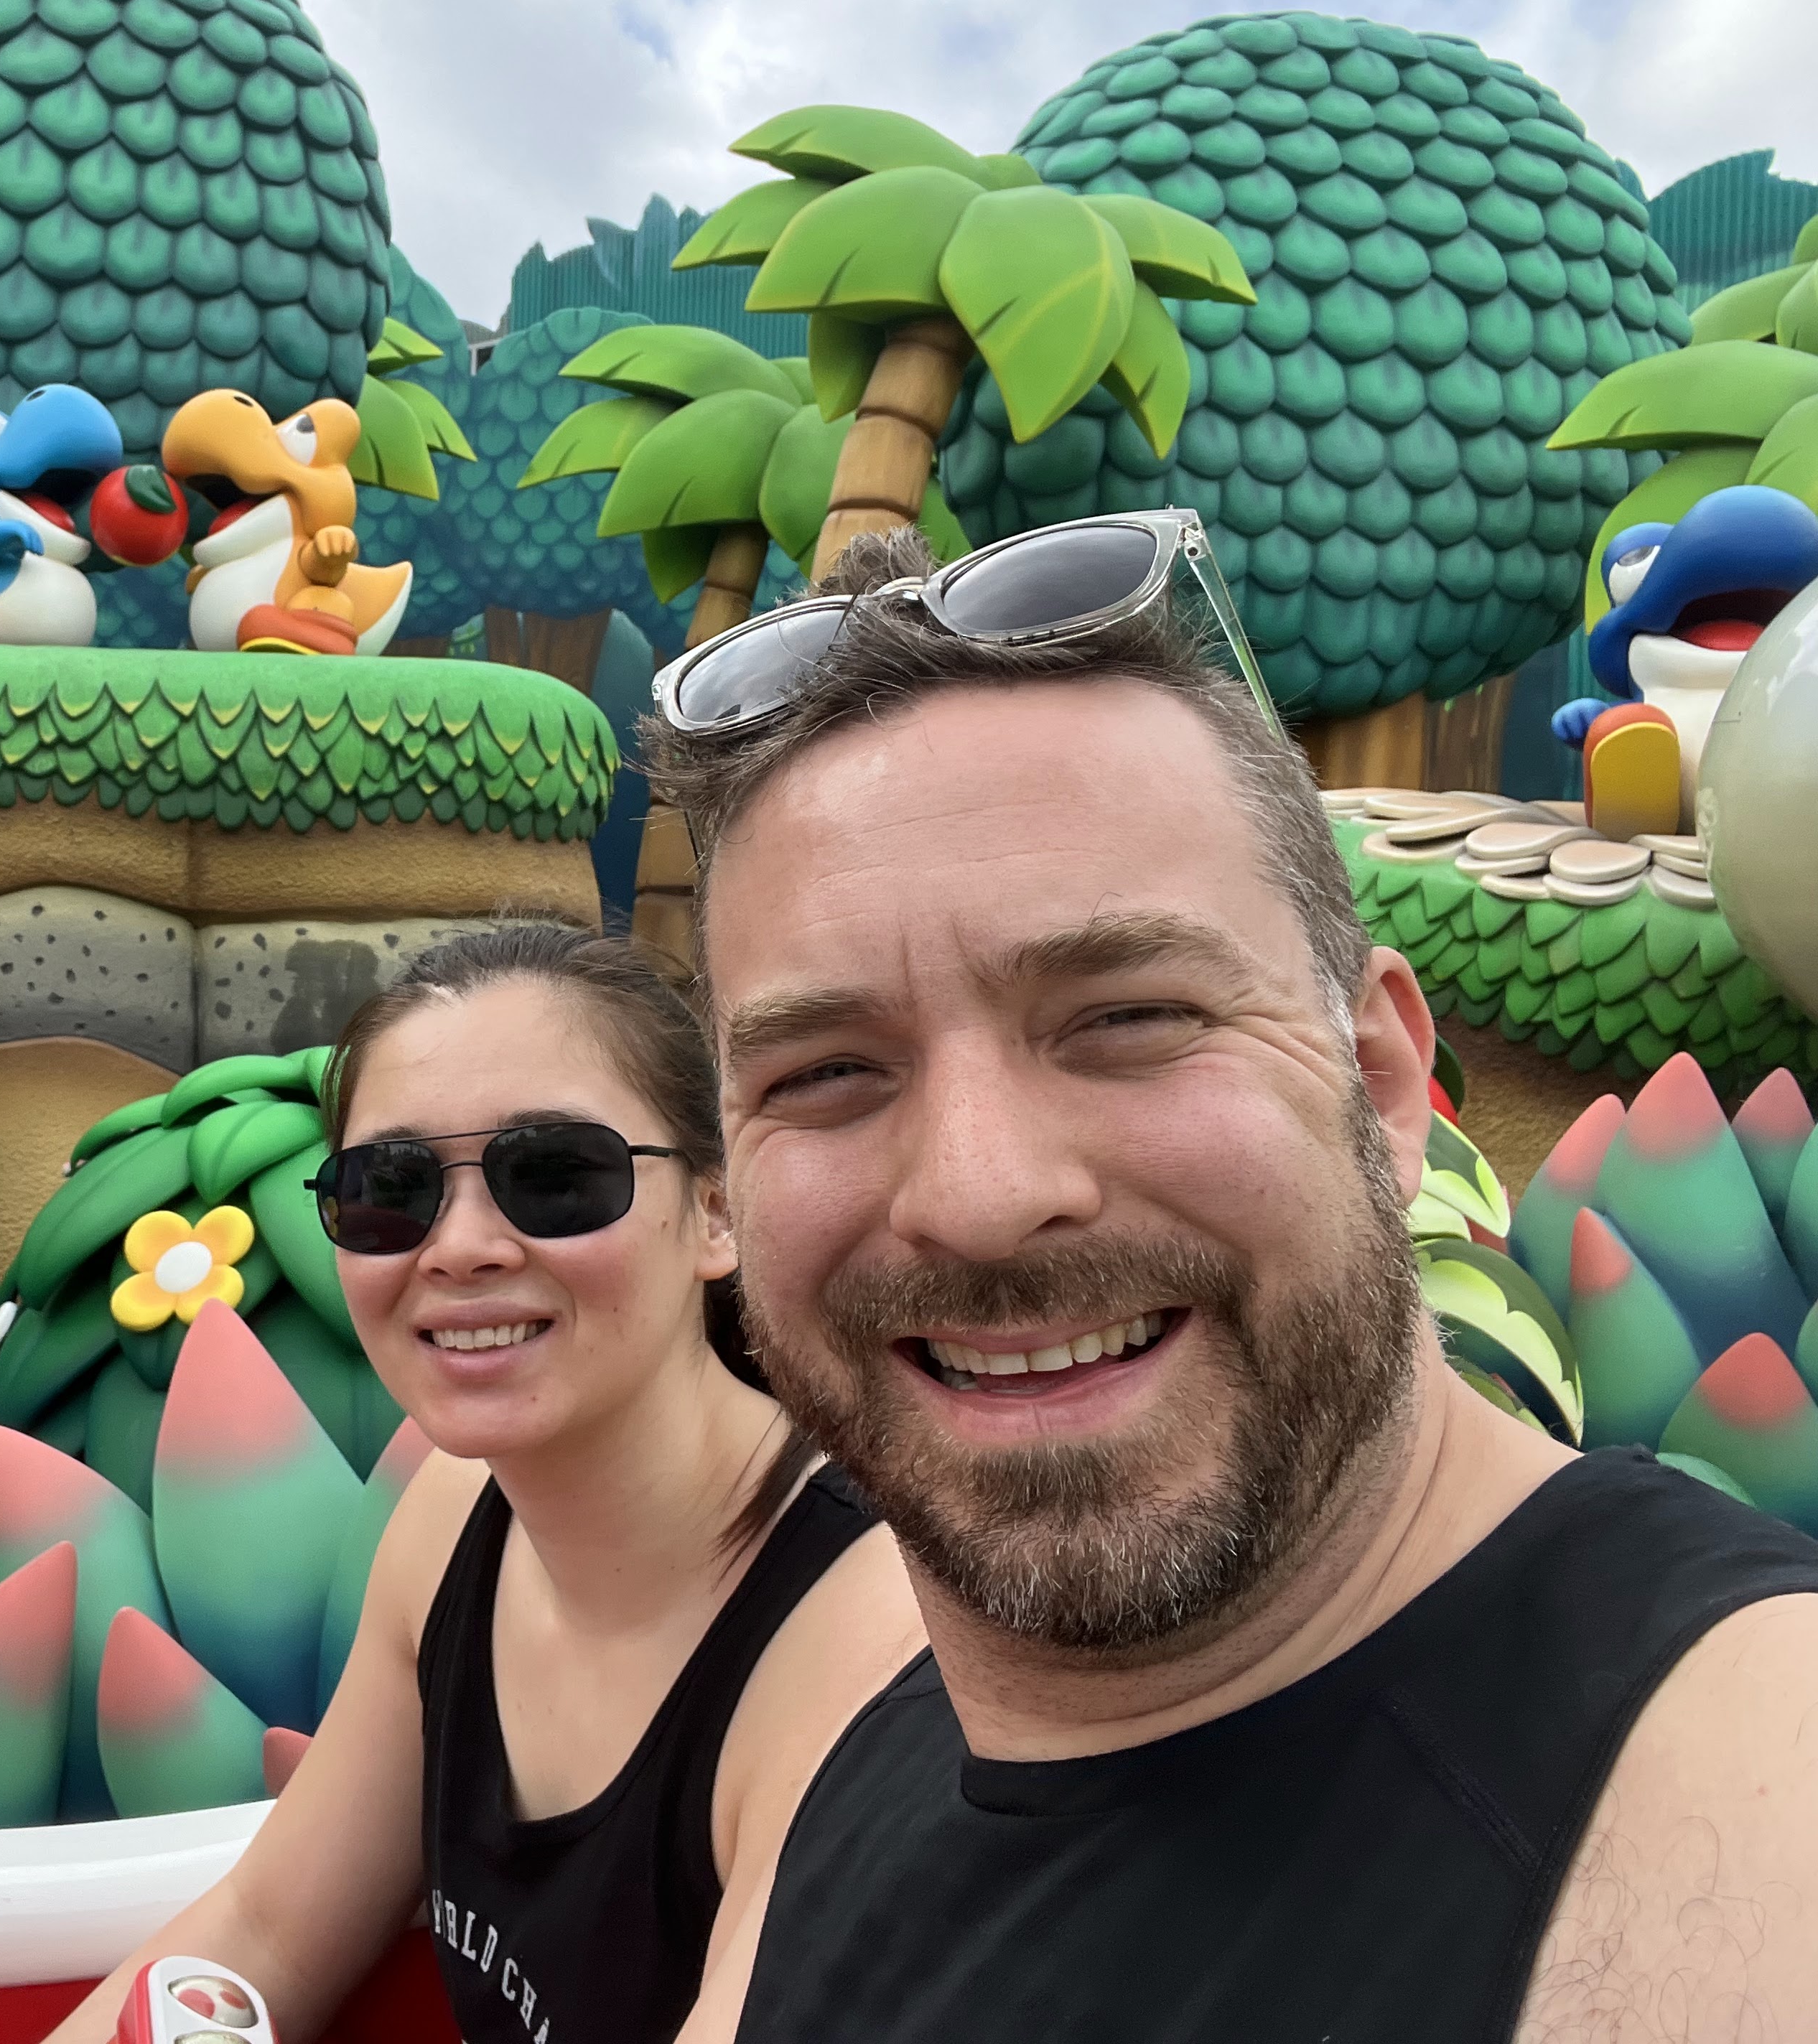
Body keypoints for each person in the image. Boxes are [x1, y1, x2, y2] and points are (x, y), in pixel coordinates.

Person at [642, 515, 1818, 2041]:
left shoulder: (1748, 1796)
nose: (981, 1198)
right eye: (825, 1072)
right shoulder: (849, 1751)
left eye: (1127, 1018)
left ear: (1382, 1080)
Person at [43, 925, 923, 2044]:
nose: (459, 1246)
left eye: (553, 1176)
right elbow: (263, 1934)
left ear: (718, 1212)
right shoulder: (456, 1516)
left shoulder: (873, 1643)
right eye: (390, 1189)